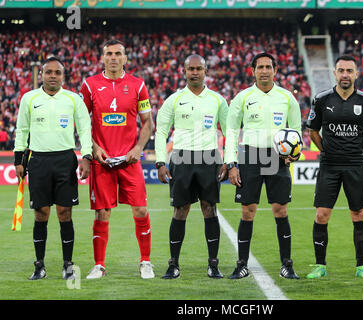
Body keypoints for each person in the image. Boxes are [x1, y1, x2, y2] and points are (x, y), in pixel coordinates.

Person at [80, 40, 154, 279]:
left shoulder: (138, 85)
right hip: (102, 161)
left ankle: (145, 262)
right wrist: (94, 148)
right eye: (109, 54)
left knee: (141, 209)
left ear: (125, 58)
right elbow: (82, 123)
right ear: (103, 58)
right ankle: (99, 265)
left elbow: (147, 124)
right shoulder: (89, 85)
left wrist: (138, 148)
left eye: (118, 54)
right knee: (102, 213)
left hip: (129, 160)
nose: (113, 57)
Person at [14, 56, 92, 280]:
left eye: (57, 73)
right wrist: (19, 160)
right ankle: (39, 265)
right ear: (41, 75)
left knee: (65, 214)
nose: (52, 76)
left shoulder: (73, 99)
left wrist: (86, 156)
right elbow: (22, 130)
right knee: (41, 214)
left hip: (65, 160)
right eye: (48, 72)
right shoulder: (29, 99)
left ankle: (68, 264)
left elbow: (85, 130)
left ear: (63, 76)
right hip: (38, 161)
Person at [225, 52, 302, 279]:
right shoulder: (243, 97)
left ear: (275, 70)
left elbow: (296, 130)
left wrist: (294, 153)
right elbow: (231, 132)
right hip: (249, 155)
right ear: (253, 70)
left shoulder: (287, 97)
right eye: (260, 67)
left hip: (277, 158)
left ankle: (287, 264)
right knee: (248, 211)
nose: (265, 71)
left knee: (281, 210)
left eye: (269, 67)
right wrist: (232, 163)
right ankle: (242, 264)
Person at [155, 54, 228, 279]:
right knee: (180, 210)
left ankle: (213, 265)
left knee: (209, 208)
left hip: (209, 159)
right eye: (190, 69)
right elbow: (161, 132)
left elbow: (229, 131)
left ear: (206, 71)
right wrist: (160, 161)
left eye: (199, 69)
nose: (194, 72)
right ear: (184, 71)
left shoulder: (217, 100)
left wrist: (229, 161)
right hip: (181, 159)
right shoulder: (174, 100)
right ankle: (173, 264)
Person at [305, 55, 363, 280]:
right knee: (322, 214)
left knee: (359, 213)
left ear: (356, 74)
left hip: (355, 165)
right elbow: (313, 131)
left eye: (349, 71)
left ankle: (361, 266)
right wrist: (325, 148)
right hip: (329, 165)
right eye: (341, 70)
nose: (345, 75)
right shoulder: (321, 99)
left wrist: (360, 152)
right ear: (334, 73)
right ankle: (319, 265)